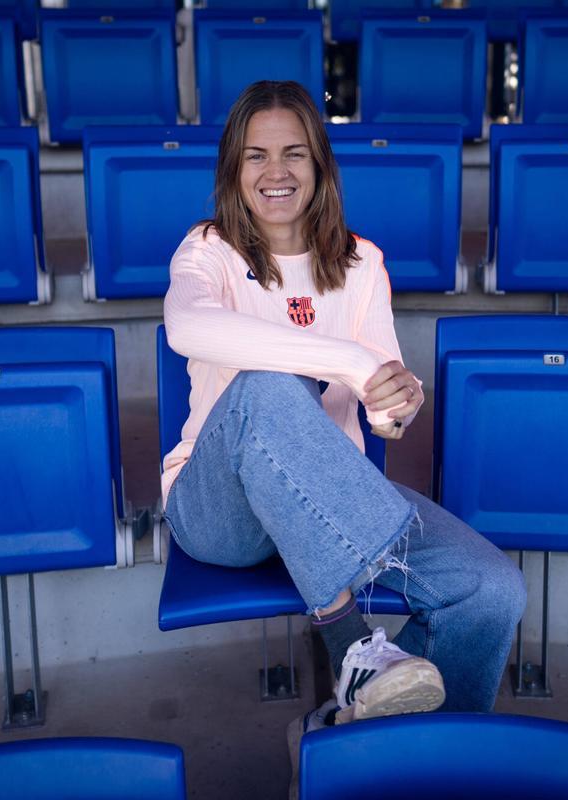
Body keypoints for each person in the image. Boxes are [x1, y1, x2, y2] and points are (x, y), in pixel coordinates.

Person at [160, 79, 526, 761]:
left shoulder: (361, 264)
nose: (276, 172)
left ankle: (389, 749)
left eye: (294, 153)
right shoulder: (207, 250)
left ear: (320, 165)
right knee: (270, 385)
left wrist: (395, 402)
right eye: (255, 156)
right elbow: (185, 325)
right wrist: (351, 362)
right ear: (233, 170)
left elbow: (384, 403)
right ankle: (351, 646)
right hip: (220, 512)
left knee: (490, 590)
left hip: (329, 496)